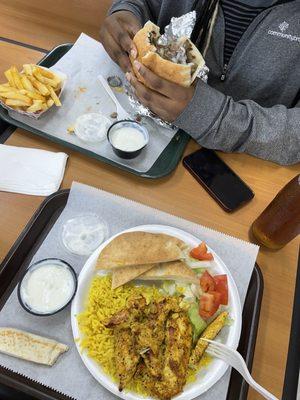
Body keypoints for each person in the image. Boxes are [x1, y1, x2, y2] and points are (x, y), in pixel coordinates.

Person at [100, 0, 300, 165]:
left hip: (243, 169)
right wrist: (125, 11)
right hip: (142, 145)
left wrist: (212, 117)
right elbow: (140, 4)